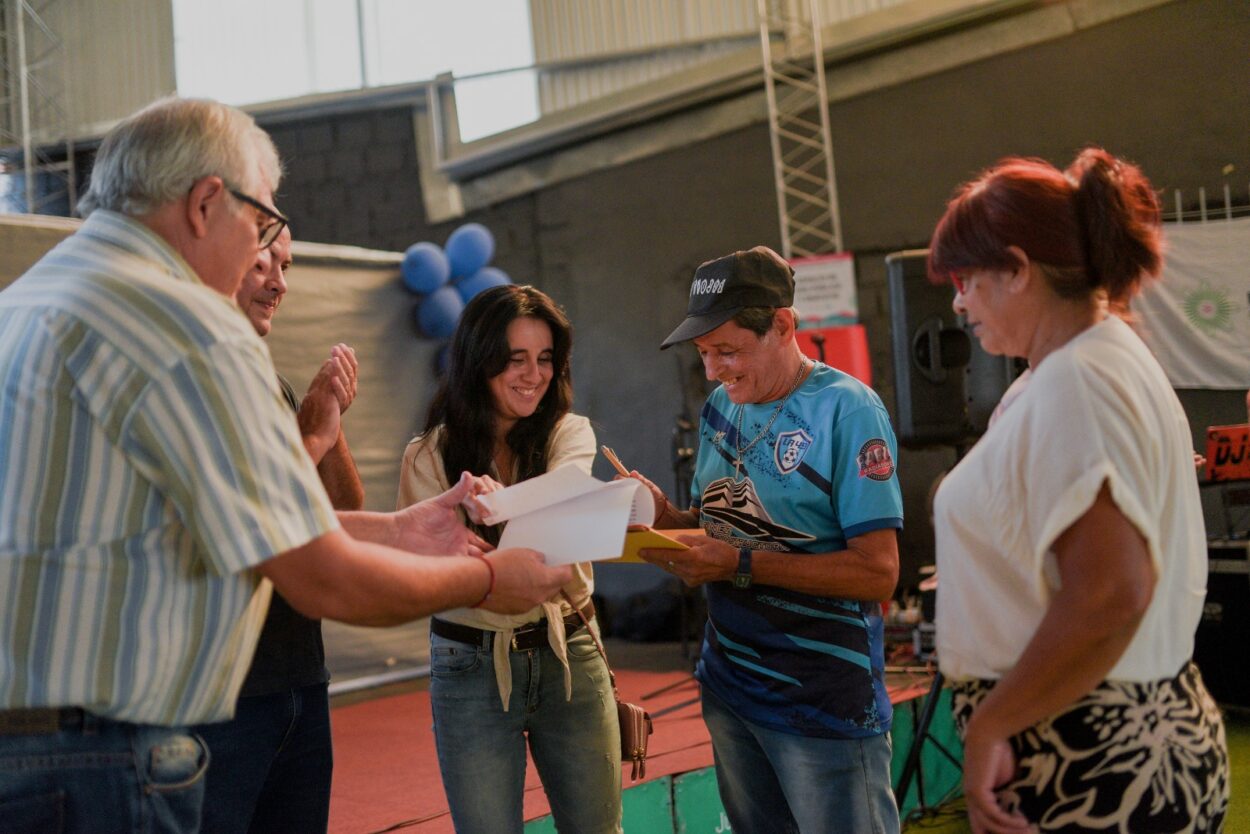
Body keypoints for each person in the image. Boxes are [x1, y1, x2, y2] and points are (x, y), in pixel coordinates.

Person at [0, 97, 571, 834]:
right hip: (104, 755)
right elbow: (319, 574)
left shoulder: (28, 299)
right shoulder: (182, 321)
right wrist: (492, 578)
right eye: (262, 224)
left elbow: (211, 522)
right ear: (207, 203)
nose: (264, 258)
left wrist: (398, 530)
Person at [928, 149, 1230, 833]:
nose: (958, 301)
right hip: (1102, 734)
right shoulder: (1083, 364)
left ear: (1017, 269)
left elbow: (1109, 592)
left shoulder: (1080, 381)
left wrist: (992, 724)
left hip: (1093, 749)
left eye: (966, 279)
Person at [630, 246, 903, 834]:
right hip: (729, 685)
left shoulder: (848, 411)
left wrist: (739, 566)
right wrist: (664, 517)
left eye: (728, 351)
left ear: (783, 325)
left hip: (822, 700)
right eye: (704, 354)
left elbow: (877, 573)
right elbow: (717, 526)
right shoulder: (719, 409)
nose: (714, 371)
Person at [397, 284, 622, 834]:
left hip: (568, 647)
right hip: (468, 663)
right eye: (515, 359)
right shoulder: (427, 455)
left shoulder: (571, 434)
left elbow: (550, 541)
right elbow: (430, 574)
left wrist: (493, 515)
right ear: (479, 362)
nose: (534, 374)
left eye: (545, 359)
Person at [194, 227, 362, 834]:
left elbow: (340, 512)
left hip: (297, 676)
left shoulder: (275, 385)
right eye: (266, 262)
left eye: (287, 267)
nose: (279, 284)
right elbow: (246, 511)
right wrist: (312, 435)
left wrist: (329, 420)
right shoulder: (197, 380)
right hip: (224, 692)